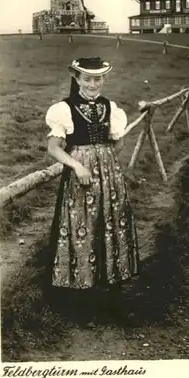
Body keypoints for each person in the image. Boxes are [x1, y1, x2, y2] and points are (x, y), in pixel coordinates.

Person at [45, 57, 139, 312]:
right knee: (81, 224)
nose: (92, 84)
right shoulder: (64, 109)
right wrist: (78, 164)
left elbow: (117, 142)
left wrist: (104, 160)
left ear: (103, 80)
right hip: (81, 176)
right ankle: (80, 294)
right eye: (87, 79)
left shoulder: (111, 107)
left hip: (109, 176)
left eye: (97, 79)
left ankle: (112, 292)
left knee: (111, 222)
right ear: (77, 80)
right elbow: (54, 148)